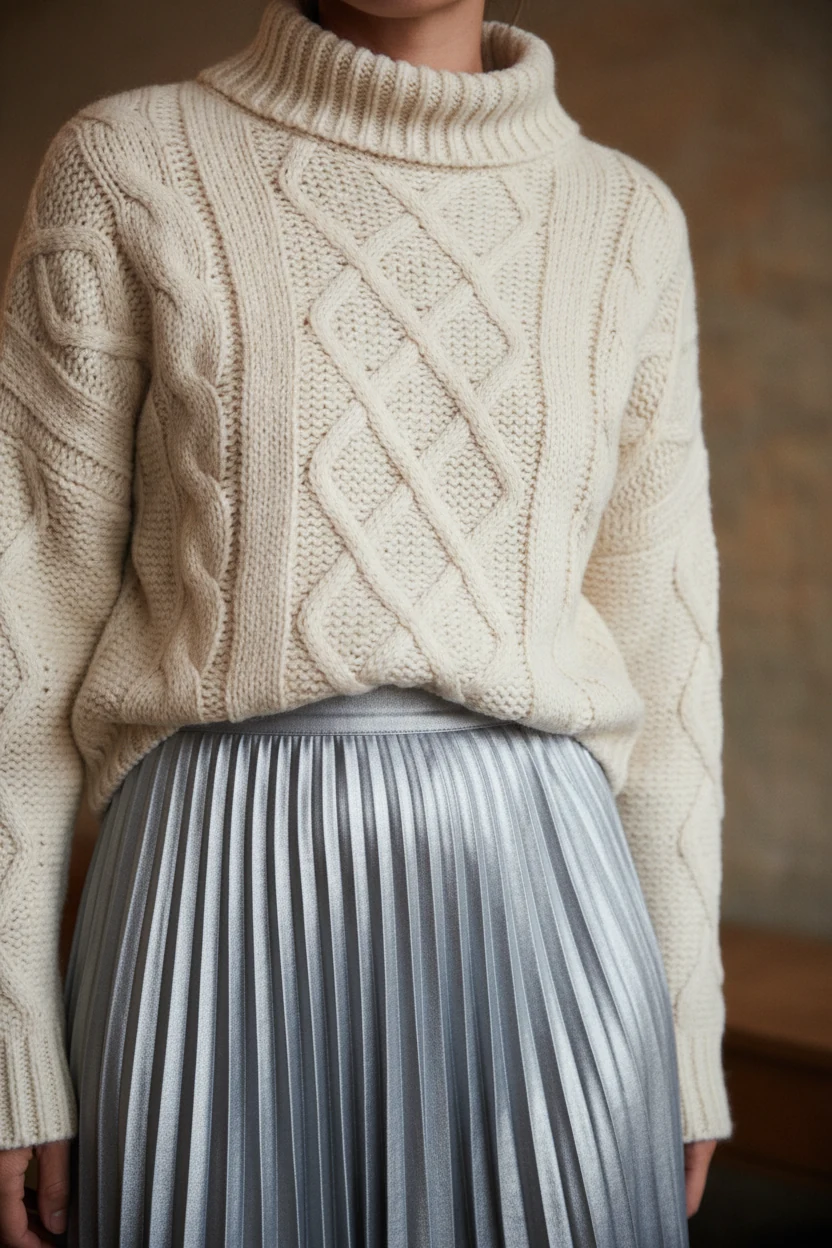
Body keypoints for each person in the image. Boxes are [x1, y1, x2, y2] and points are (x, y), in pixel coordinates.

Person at [0, 0, 731, 1243]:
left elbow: (666, 666)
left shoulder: (625, 222)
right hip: (201, 891)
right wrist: (9, 1036)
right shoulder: (125, 164)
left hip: (543, 893)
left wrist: (687, 1016)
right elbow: (21, 633)